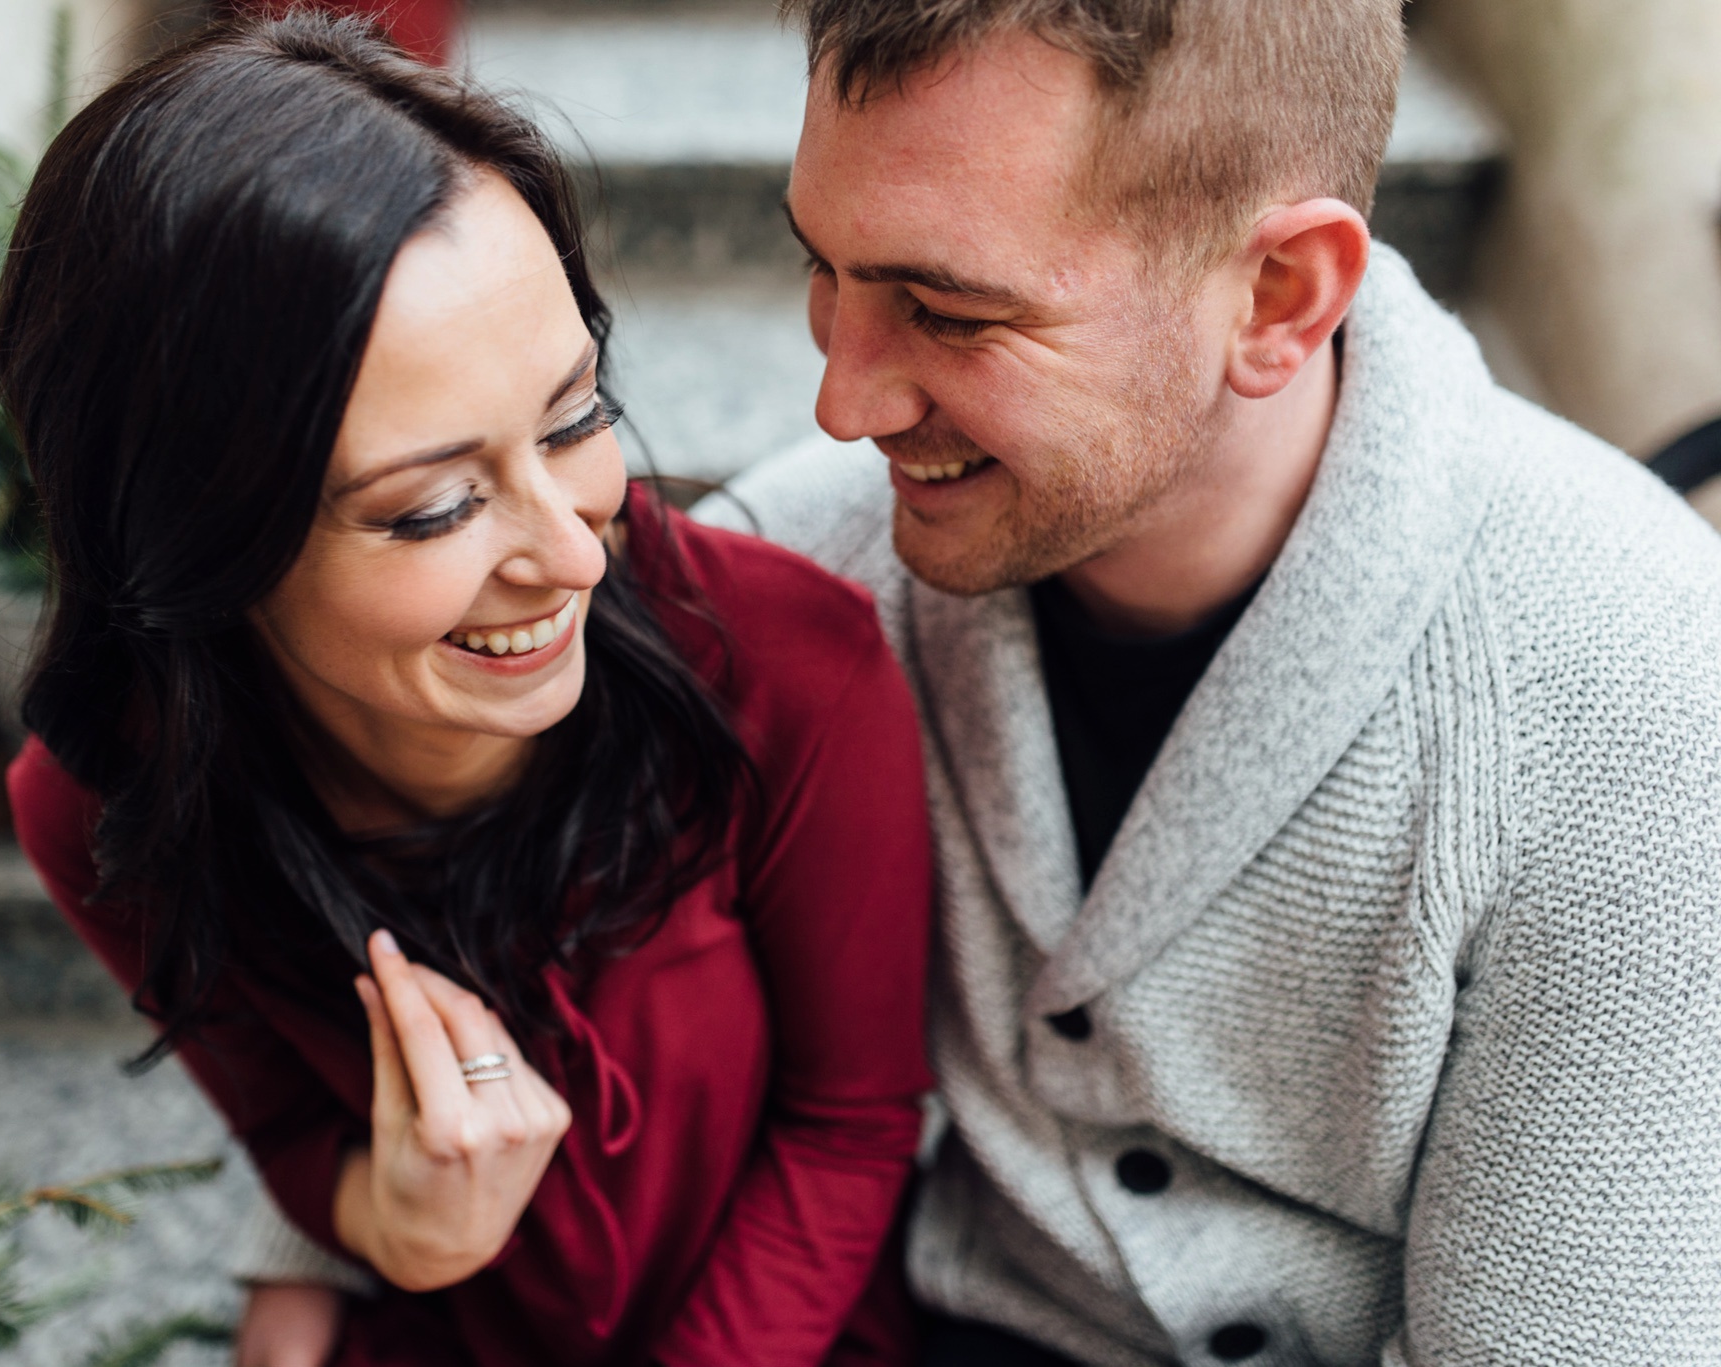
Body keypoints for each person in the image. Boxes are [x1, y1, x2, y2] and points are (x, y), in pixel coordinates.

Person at [686, 2, 1721, 1365]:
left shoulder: (1625, 692)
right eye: (823, 267)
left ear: (1278, 296)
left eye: (946, 310)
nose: (843, 397)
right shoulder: (797, 575)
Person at [0, 15, 935, 1366]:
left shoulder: (793, 665)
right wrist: (394, 1225)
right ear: (199, 540)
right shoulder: (98, 805)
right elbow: (287, 1136)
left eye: (573, 416)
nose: (569, 552)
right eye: (433, 508)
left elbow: (849, 1128)